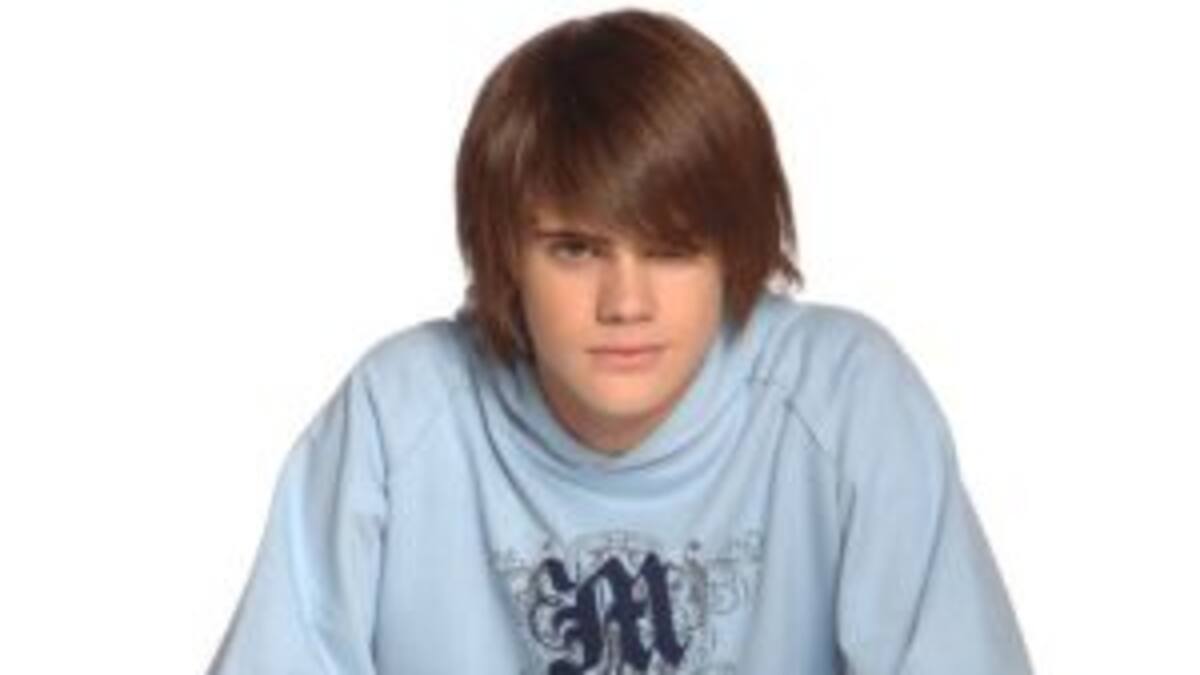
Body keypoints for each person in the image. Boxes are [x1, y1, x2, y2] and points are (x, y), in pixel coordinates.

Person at [207, 8, 1033, 674]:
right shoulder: (399, 415)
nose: (626, 303)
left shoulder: (847, 400)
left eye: (672, 250)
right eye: (576, 250)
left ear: (734, 251)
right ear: (506, 254)